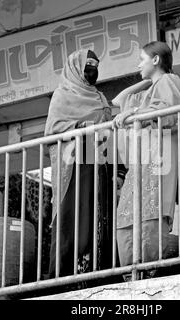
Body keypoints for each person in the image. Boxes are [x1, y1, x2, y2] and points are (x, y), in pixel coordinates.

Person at [111, 41, 180, 270]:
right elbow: (118, 101)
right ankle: (133, 272)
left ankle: (145, 273)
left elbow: (166, 113)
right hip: (145, 163)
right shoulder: (153, 88)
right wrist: (146, 83)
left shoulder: (168, 81)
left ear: (155, 60)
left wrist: (135, 112)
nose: (138, 65)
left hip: (158, 162)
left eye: (142, 59)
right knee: (128, 216)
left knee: (149, 219)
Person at [44, 49, 112, 277]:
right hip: (72, 166)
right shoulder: (62, 95)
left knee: (96, 214)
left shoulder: (100, 97)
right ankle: (61, 277)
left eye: (95, 64)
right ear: (75, 68)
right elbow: (53, 132)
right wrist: (80, 129)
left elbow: (108, 129)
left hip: (97, 163)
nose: (93, 69)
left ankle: (94, 272)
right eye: (87, 65)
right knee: (70, 217)